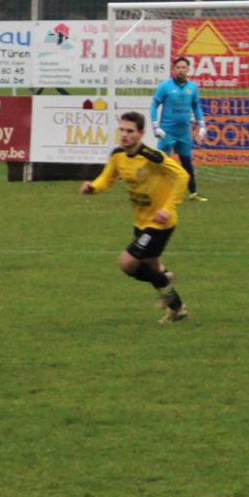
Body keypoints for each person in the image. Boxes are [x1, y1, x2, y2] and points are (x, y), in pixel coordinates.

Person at [80, 111, 191, 323]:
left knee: (127, 263)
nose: (124, 135)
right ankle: (178, 309)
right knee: (152, 267)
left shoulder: (153, 157)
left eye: (130, 131)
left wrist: (168, 207)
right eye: (121, 130)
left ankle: (166, 280)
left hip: (160, 223)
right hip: (141, 222)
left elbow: (182, 175)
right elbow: (107, 178)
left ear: (141, 134)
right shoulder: (117, 156)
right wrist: (93, 187)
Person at [150, 56, 208, 201]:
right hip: (166, 131)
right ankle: (156, 192)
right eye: (178, 67)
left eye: (184, 67)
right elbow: (154, 105)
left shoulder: (192, 87)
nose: (181, 70)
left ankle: (193, 192)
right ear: (174, 69)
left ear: (188, 69)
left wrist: (202, 125)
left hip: (184, 132)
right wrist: (156, 126)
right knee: (161, 162)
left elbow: (196, 106)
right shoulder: (165, 86)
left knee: (187, 162)